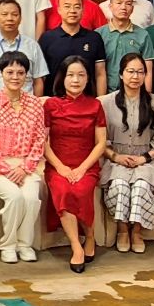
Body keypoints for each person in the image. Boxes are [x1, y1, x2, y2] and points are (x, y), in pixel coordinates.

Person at [99, 53, 154, 255]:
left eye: (140, 72)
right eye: (130, 71)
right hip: (116, 158)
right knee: (120, 185)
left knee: (140, 186)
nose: (135, 76)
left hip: (147, 159)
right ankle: (123, 230)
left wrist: (144, 158)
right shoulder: (105, 103)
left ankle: (137, 232)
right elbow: (99, 140)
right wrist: (116, 157)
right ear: (121, 74)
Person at [0, 51, 47, 264]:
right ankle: (8, 245)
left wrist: (25, 168)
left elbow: (40, 139)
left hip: (27, 165)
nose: (15, 77)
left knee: (31, 199)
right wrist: (7, 169)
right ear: (2, 73)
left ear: (26, 75)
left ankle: (24, 245)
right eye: (10, 72)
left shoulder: (35, 104)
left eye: (20, 72)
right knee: (15, 197)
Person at [43, 57, 108, 273]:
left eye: (81, 75)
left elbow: (101, 143)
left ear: (88, 78)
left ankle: (89, 236)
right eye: (70, 75)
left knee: (80, 190)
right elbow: (43, 142)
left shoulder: (95, 105)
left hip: (86, 165)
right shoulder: (50, 105)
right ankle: (76, 246)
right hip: (58, 165)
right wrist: (60, 167)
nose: (75, 80)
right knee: (63, 189)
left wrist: (82, 168)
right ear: (62, 78)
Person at [40, 0, 109, 96]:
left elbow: (100, 73)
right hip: (54, 100)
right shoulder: (47, 38)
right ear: (59, 10)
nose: (72, 11)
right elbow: (41, 76)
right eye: (67, 6)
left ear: (82, 10)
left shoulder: (94, 38)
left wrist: (101, 100)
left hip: (87, 100)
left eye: (77, 7)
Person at [0, 0, 49, 94]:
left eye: (15, 14)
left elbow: (38, 81)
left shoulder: (32, 45)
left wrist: (36, 102)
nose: (9, 18)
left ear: (20, 18)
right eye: (4, 14)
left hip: (27, 101)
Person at [97, 0, 154, 93]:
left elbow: (148, 71)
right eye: (119, 3)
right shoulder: (99, 34)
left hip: (136, 92)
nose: (123, 7)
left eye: (128, 4)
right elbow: (98, 72)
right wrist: (101, 98)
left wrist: (147, 97)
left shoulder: (143, 34)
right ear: (110, 6)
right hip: (108, 92)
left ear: (132, 9)